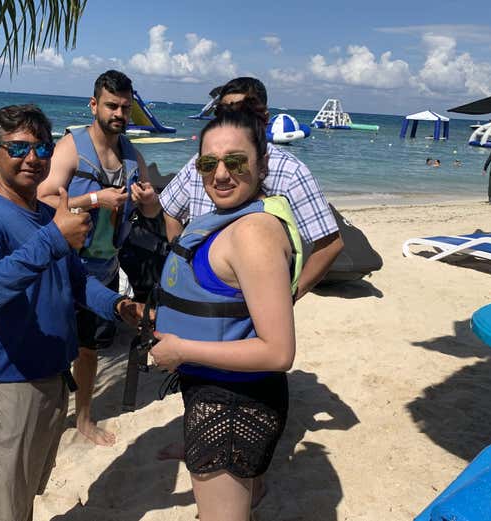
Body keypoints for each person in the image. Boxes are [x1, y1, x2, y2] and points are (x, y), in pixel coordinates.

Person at [0, 104, 142, 521]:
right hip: (11, 385)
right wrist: (54, 238)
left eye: (41, 148)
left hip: (50, 380)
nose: (33, 158)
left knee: (23, 493)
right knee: (0, 504)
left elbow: (75, 281)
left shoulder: (43, 214)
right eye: (18, 148)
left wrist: (118, 305)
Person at [150, 102, 302, 521]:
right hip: (220, 396)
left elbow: (278, 353)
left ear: (263, 164)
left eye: (236, 161)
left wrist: (181, 350)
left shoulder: (253, 234)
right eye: (208, 163)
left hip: (233, 406)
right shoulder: (226, 218)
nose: (220, 174)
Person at [37, 70, 160, 446]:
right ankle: (45, 417)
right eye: (112, 105)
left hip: (105, 267)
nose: (119, 113)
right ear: (94, 105)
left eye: (125, 106)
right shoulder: (72, 148)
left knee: (89, 350)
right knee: (51, 346)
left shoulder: (132, 157)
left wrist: (148, 202)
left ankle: (84, 418)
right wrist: (95, 199)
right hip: (63, 267)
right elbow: (42, 200)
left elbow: (153, 215)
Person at [159, 77, 342, 301]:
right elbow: (170, 210)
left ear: (264, 119)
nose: (221, 174)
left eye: (242, 112)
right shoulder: (200, 162)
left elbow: (330, 244)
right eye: (225, 114)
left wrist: (289, 295)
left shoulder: (290, 171)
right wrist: (183, 265)